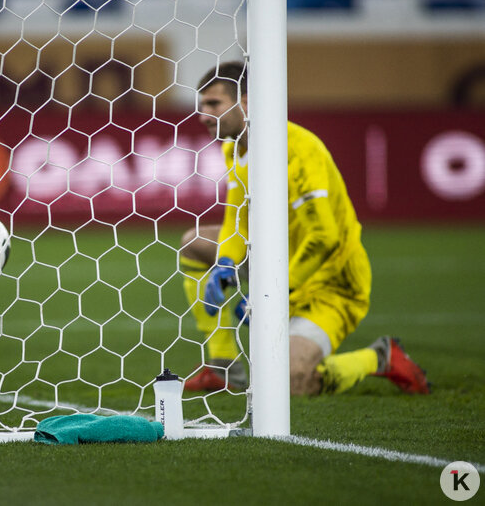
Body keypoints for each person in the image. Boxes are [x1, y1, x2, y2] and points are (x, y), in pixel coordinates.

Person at [180, 61, 430, 396]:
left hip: (330, 285)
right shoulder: (234, 148)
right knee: (195, 241)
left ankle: (380, 357)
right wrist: (226, 261)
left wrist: (271, 292)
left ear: (247, 102)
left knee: (287, 382)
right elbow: (238, 220)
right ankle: (225, 366)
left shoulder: (297, 150)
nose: (203, 115)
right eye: (201, 106)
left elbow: (324, 238)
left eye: (213, 104)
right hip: (278, 260)